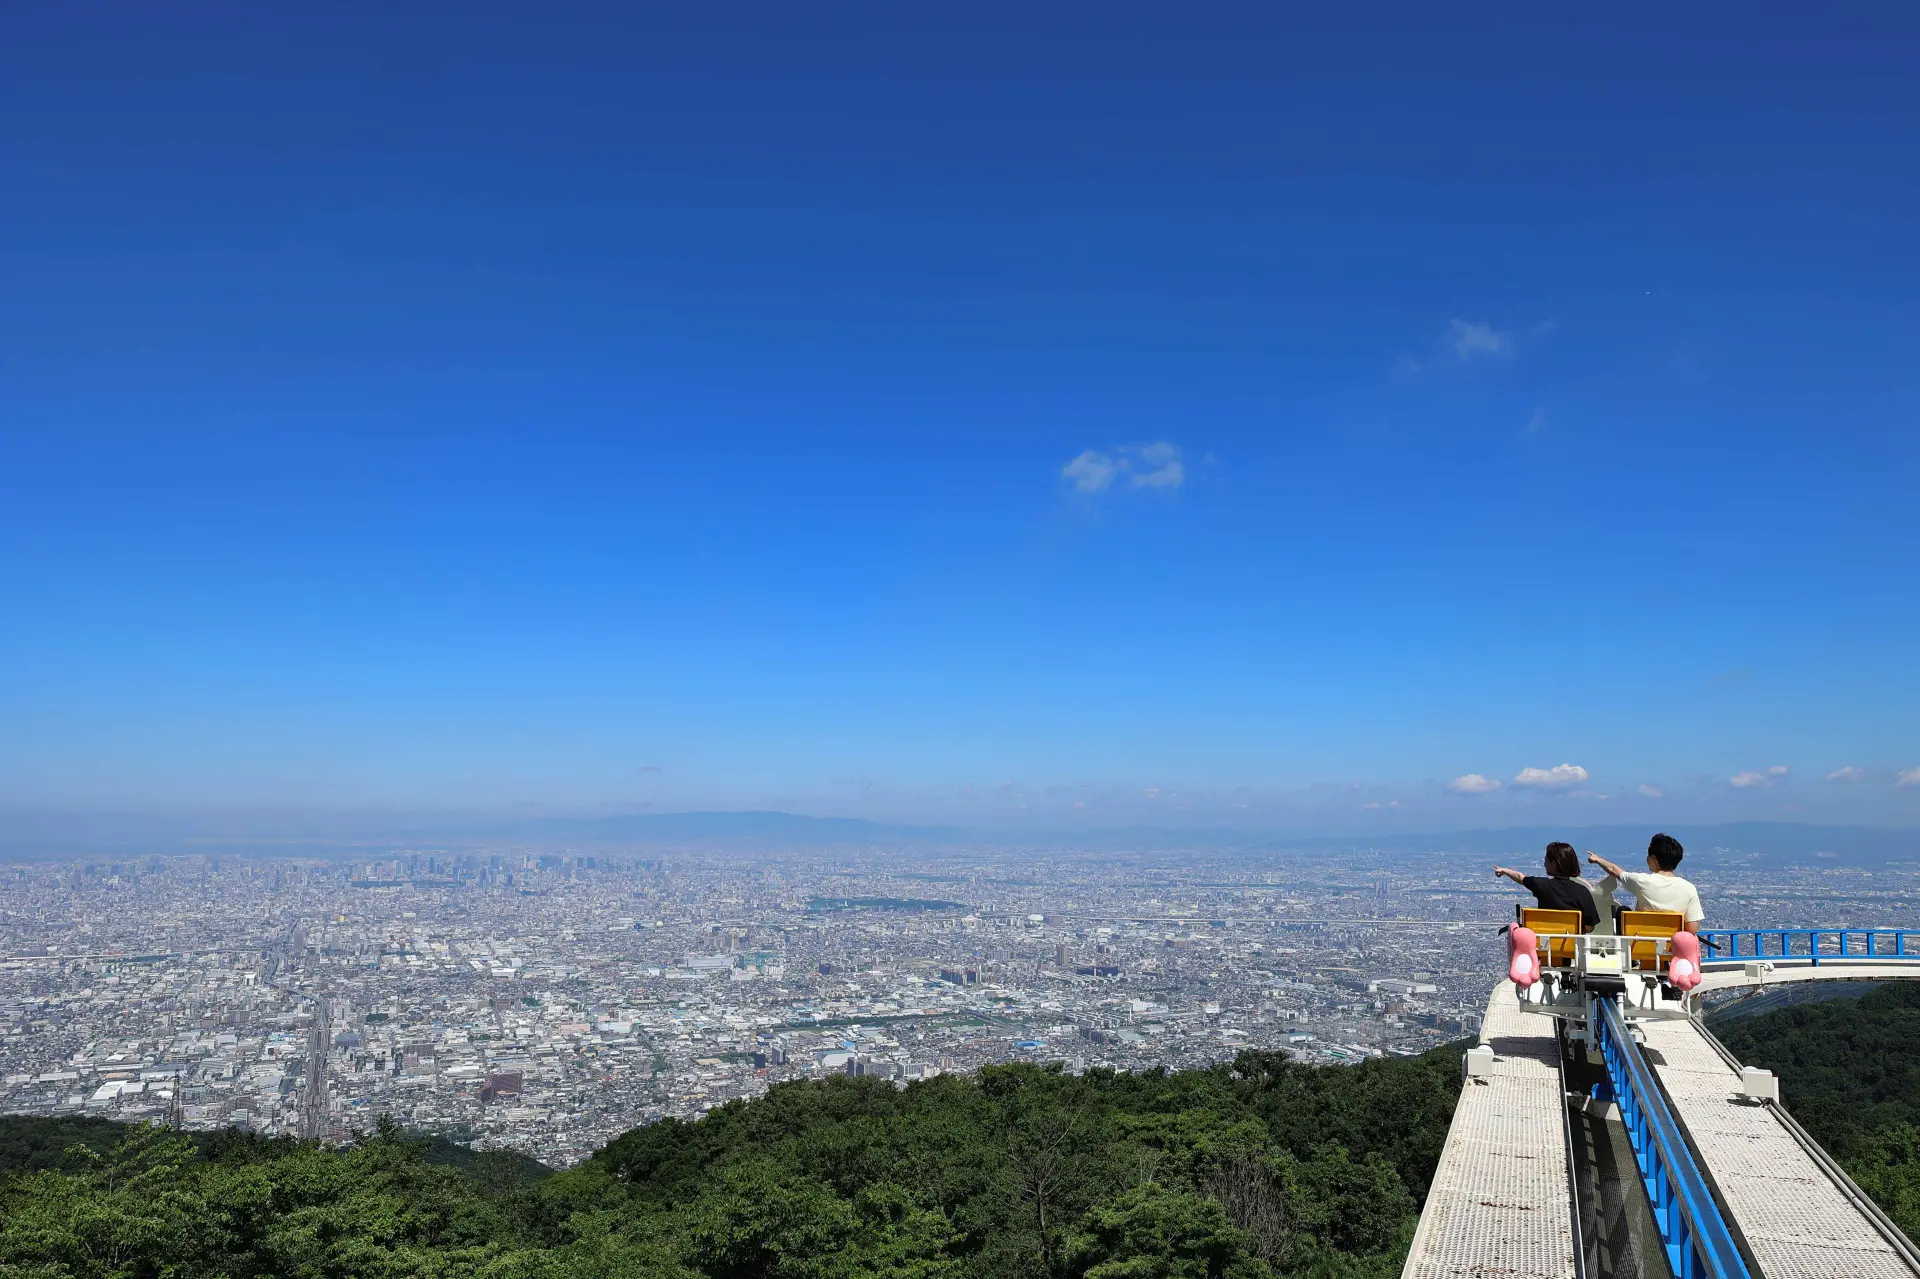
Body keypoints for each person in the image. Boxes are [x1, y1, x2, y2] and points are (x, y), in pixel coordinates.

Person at [1586, 833, 1703, 933]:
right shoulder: (1689, 888)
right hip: (1672, 948)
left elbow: (1614, 870)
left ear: (1654, 859)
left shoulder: (1642, 881)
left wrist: (1597, 859)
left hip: (1641, 944)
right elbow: (1692, 929)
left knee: (1622, 911)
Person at [1493, 842, 1599, 931]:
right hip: (1573, 949)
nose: (1544, 864)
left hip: (1545, 948)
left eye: (1546, 860)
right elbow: (1590, 927)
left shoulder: (1542, 885)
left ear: (1554, 863)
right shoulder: (1582, 891)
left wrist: (1505, 871)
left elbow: (1521, 878)